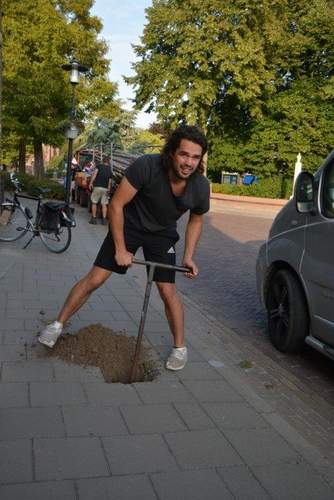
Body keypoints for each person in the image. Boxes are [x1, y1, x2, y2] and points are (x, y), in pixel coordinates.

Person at [38, 125, 210, 371]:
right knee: (95, 279)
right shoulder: (148, 166)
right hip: (129, 225)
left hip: (162, 234)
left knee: (167, 290)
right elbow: (117, 205)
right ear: (172, 152)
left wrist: (189, 256)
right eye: (184, 154)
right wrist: (120, 248)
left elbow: (196, 218)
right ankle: (56, 325)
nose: (189, 162)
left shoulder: (200, 186)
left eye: (195, 157)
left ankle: (180, 348)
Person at [89, 156, 112, 225]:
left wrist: (91, 183)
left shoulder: (99, 166)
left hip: (97, 187)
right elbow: (110, 182)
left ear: (103, 161)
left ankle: (93, 219)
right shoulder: (110, 170)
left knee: (94, 202)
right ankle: (104, 220)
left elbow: (95, 175)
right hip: (105, 188)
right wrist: (108, 190)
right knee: (104, 204)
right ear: (109, 162)